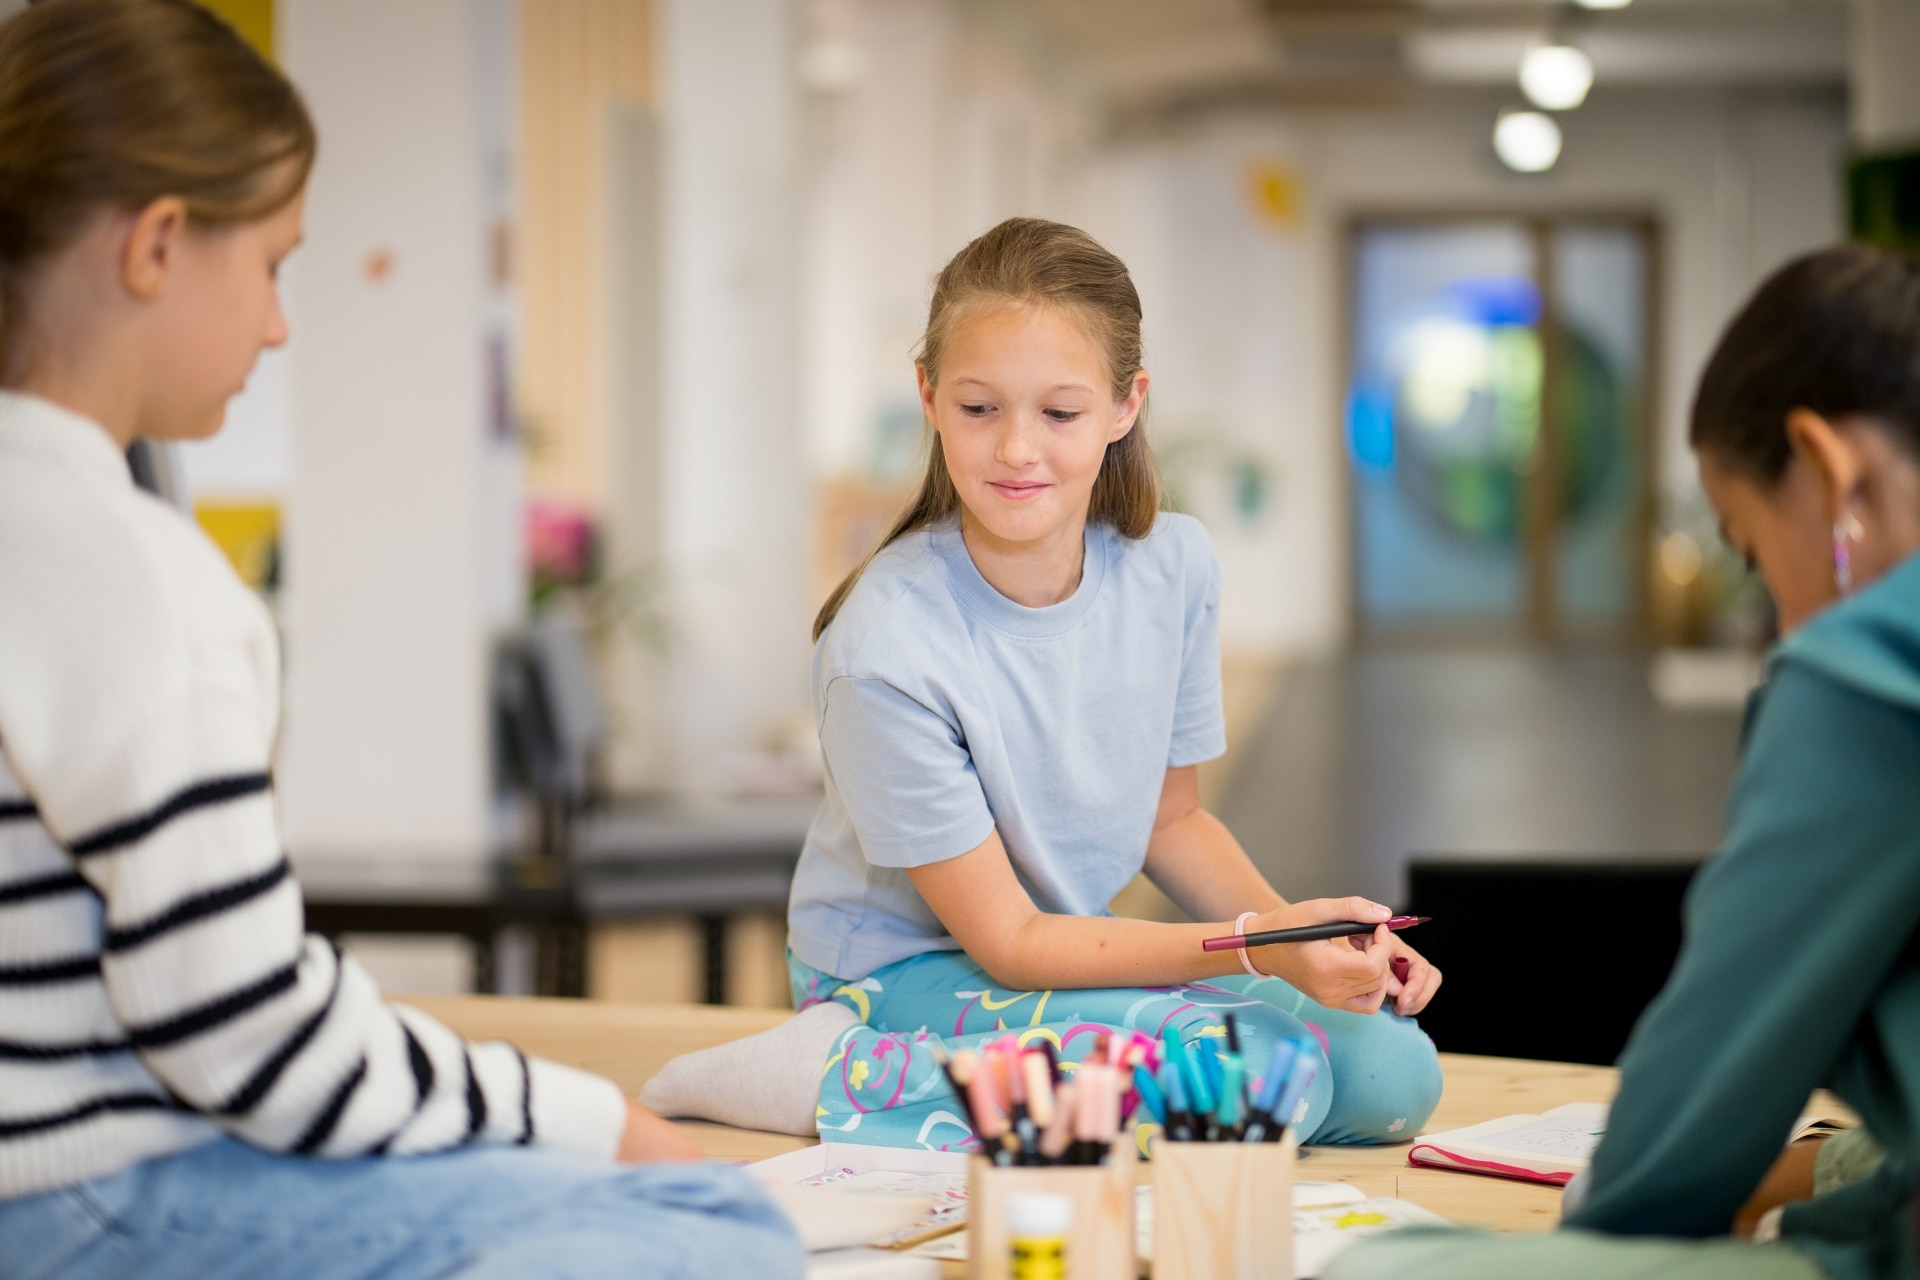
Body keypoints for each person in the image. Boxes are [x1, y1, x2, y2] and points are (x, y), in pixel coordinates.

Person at [0, 3, 800, 1277]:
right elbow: (250, 1040)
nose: (279, 325)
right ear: (156, 245)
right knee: (720, 1222)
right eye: (271, 266)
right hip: (82, 1199)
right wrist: (592, 1119)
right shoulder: (133, 577)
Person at [643, 217, 1443, 1150]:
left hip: (1059, 945)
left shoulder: (1174, 566)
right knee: (1252, 1080)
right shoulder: (884, 648)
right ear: (929, 396)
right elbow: (1011, 942)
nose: (1017, 449)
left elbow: (1171, 819)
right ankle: (828, 1072)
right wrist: (1254, 949)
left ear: (1126, 405)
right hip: (899, 975)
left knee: (1393, 1073)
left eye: (1060, 414)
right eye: (980, 408)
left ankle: (1039, 1087)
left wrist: (1298, 941)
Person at [1329, 245, 1920, 1280]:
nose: (1783, 616)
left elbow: (1712, 1081)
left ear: (1828, 467)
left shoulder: (1863, 670)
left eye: (1751, 548)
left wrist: (1591, 1222)